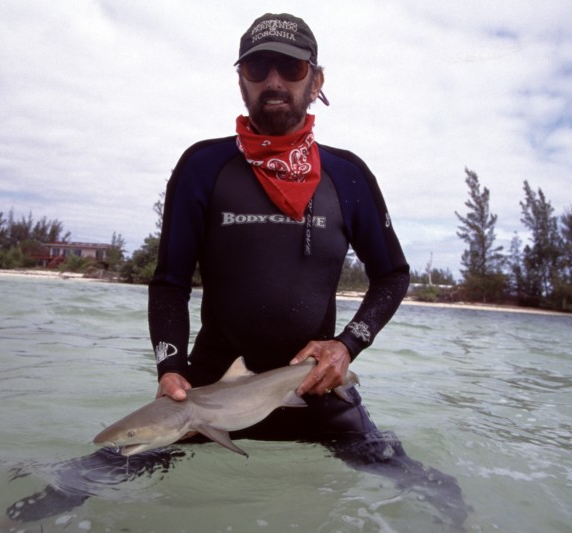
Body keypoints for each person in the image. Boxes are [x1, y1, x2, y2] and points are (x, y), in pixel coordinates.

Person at [148, 13, 469, 526]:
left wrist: (347, 346)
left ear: (316, 81)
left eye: (291, 68)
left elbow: (393, 274)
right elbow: (169, 284)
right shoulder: (203, 166)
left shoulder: (347, 175)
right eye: (258, 67)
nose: (274, 81)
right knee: (90, 481)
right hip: (210, 396)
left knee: (440, 497)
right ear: (240, 79)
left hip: (317, 392)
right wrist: (170, 369)